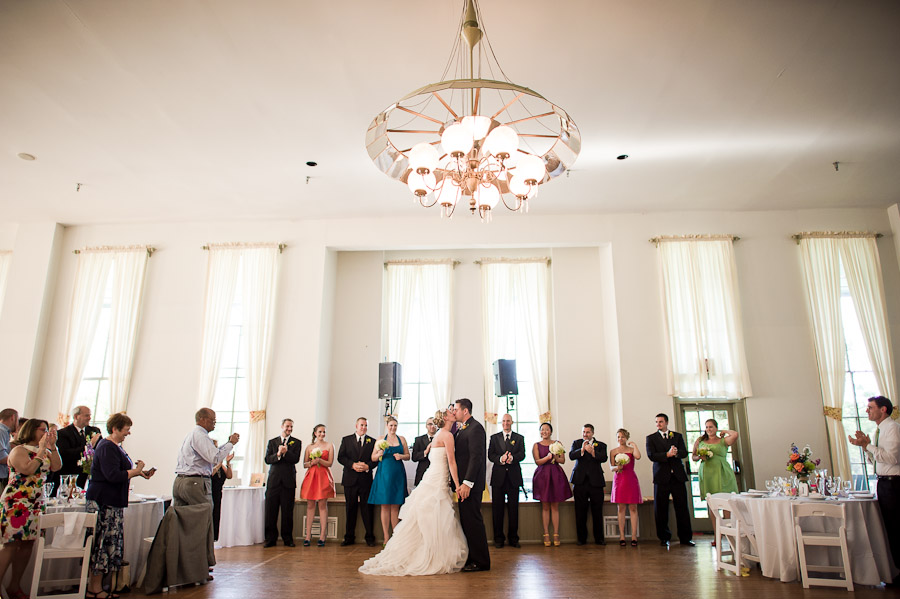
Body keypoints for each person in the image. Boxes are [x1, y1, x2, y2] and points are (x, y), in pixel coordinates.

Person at [359, 408, 467, 575]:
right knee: (436, 515)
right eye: (450, 411)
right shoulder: (447, 435)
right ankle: (433, 552)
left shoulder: (439, 435)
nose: (453, 412)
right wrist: (458, 484)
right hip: (436, 479)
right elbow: (452, 462)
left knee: (432, 515)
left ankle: (431, 549)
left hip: (434, 477)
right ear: (445, 417)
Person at [85, 413, 155, 599]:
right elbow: (112, 475)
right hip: (104, 501)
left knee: (109, 543)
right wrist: (135, 471)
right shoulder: (107, 446)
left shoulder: (116, 447)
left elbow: (120, 471)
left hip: (112, 501)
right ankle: (94, 587)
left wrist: (140, 473)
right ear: (115, 429)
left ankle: (98, 586)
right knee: (102, 543)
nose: (128, 433)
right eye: (126, 429)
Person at [174, 407, 238, 579]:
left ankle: (182, 565)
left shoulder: (192, 435)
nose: (214, 423)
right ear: (202, 419)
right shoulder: (200, 435)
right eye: (212, 420)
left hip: (181, 481)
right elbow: (215, 458)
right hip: (195, 483)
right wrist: (230, 442)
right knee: (202, 524)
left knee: (183, 525)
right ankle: (199, 567)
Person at [0, 419, 61, 599]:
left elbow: (57, 467)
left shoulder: (46, 451)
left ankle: (15, 586)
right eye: (43, 430)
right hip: (16, 503)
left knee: (28, 544)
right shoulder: (19, 450)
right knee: (11, 544)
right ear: (31, 430)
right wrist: (42, 450)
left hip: (35, 503)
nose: (46, 433)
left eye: (48, 430)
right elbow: (28, 469)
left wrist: (53, 447)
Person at [849, 395, 899, 584]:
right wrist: (866, 449)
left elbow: (893, 458)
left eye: (870, 407)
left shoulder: (893, 429)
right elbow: (877, 460)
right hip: (884, 483)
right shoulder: (880, 430)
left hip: (894, 484)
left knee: (896, 527)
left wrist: (867, 445)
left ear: (883, 409)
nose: (867, 411)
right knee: (890, 528)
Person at [452, 398, 490, 571]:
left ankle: (481, 561)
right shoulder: (462, 429)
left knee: (473, 521)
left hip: (470, 486)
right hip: (462, 485)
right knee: (467, 522)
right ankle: (472, 557)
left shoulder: (476, 428)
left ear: (465, 411)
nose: (455, 412)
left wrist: (467, 483)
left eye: (457, 410)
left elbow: (476, 457)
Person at [646, 413, 694, 547]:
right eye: (657, 422)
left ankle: (685, 538)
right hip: (661, 477)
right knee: (661, 509)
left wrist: (676, 452)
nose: (658, 424)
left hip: (677, 477)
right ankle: (664, 537)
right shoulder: (651, 438)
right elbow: (651, 455)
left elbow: (684, 453)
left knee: (682, 508)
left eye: (661, 422)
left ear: (666, 422)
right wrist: (666, 455)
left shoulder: (677, 436)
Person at [692, 419, 738, 540]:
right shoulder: (700, 441)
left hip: (722, 473)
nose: (708, 429)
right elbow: (693, 457)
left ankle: (729, 535)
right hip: (707, 474)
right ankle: (717, 535)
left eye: (711, 427)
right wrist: (700, 456)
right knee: (712, 507)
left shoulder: (723, 441)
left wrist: (725, 431)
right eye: (707, 427)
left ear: (716, 428)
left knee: (726, 504)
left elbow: (735, 434)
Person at [368, 416, 410, 544]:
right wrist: (378, 454)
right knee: (385, 506)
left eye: (395, 426)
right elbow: (373, 457)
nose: (393, 428)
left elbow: (408, 456)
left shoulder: (401, 439)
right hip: (384, 474)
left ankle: (395, 535)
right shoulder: (380, 439)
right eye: (391, 425)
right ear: (387, 426)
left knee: (395, 506)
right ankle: (386, 537)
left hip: (397, 474)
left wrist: (401, 456)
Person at [337, 417, 378, 547]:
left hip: (365, 480)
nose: (364, 428)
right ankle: (349, 537)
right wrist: (352, 465)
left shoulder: (373, 441)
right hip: (350, 479)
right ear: (356, 426)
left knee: (367, 509)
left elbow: (376, 459)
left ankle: (370, 537)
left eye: (366, 425)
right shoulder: (346, 440)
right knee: (350, 508)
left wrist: (368, 466)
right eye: (361, 425)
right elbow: (341, 457)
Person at [488, 414, 525, 548]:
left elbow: (522, 454)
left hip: (513, 478)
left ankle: (513, 538)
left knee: (513, 509)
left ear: (512, 422)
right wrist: (501, 459)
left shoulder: (519, 438)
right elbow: (490, 455)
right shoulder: (494, 438)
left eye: (508, 421)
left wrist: (512, 459)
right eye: (503, 421)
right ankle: (498, 538)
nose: (506, 423)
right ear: (501, 423)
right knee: (497, 509)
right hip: (498, 478)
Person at [533, 422, 572, 547]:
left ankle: (556, 533)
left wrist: (555, 456)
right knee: (545, 506)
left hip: (555, 474)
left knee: (555, 506)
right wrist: (548, 457)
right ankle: (546, 534)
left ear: (551, 431)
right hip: (542, 476)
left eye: (547, 429)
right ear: (540, 432)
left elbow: (562, 460)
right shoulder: (536, 445)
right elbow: (538, 461)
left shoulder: (557, 444)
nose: (544, 431)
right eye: (542, 429)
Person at [263, 418, 301, 548]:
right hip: (274, 481)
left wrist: (286, 453)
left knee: (287, 512)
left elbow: (295, 459)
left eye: (291, 427)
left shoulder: (296, 442)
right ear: (282, 426)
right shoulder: (272, 442)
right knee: (270, 511)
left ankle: (287, 538)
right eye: (287, 426)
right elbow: (268, 459)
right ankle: (270, 539)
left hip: (288, 482)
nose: (289, 429)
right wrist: (278, 454)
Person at [568, 423, 608, 546]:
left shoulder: (601, 445)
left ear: (593, 433)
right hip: (580, 482)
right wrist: (582, 450)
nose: (585, 434)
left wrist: (593, 452)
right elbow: (571, 455)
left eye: (588, 432)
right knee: (580, 512)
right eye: (584, 432)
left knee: (597, 512)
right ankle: (581, 539)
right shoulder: (576, 443)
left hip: (596, 482)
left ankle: (599, 539)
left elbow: (604, 458)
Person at [49, 405, 102, 495]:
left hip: (89, 476)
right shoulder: (63, 433)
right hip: (70, 475)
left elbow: (100, 450)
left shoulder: (94, 431)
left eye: (90, 415)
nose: (89, 418)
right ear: (76, 416)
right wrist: (89, 446)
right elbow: (65, 454)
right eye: (86, 415)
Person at [300, 424, 335, 547]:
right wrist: (312, 462)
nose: (322, 434)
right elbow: (304, 464)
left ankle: (322, 535)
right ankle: (308, 535)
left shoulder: (330, 445)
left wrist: (320, 461)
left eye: (324, 432)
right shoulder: (309, 447)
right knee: (310, 505)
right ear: (315, 433)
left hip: (324, 476)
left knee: (322, 505)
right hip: (312, 476)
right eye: (320, 432)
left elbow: (330, 463)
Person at [609, 428, 642, 546]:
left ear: (626, 437)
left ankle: (634, 536)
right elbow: (611, 467)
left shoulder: (631, 450)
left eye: (622, 437)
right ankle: (622, 536)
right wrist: (618, 468)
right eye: (618, 437)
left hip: (630, 479)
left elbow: (638, 456)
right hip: (619, 479)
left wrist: (634, 445)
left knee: (633, 507)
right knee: (621, 508)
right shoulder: (613, 451)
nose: (620, 439)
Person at [210, 442, 233, 542]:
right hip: (210, 494)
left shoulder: (221, 465)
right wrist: (218, 463)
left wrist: (227, 463)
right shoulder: (209, 464)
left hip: (218, 493)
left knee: (216, 515)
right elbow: (210, 474)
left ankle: (214, 537)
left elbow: (229, 476)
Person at [411, 417, 438, 487]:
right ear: (426, 426)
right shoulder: (418, 440)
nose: (432, 426)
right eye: (430, 424)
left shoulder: (442, 438)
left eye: (434, 424)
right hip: (423, 473)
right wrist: (425, 452)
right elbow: (414, 457)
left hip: (437, 473)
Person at [0, 409, 19, 490]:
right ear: (13, 417)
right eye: (17, 420)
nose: (17, 424)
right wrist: (20, 461)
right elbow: (1, 457)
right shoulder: (1, 431)